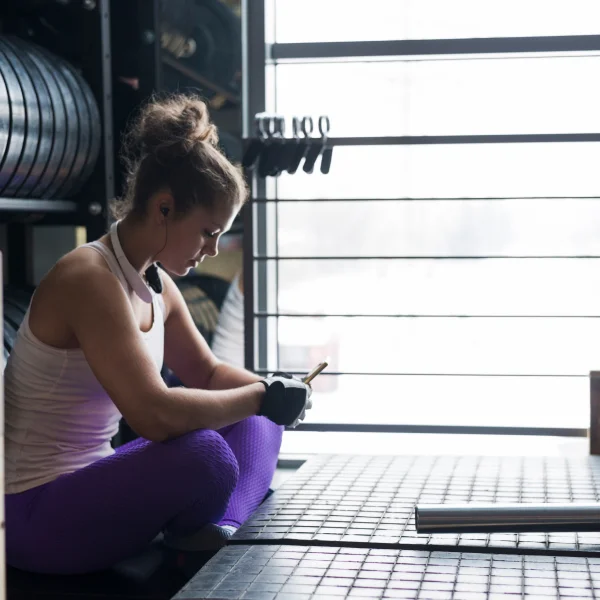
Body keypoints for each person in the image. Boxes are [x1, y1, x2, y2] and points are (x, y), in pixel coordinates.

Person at [3, 94, 312, 575]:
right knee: (206, 451)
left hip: (92, 484)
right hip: (33, 512)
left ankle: (218, 529)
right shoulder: (90, 276)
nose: (213, 250)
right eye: (209, 232)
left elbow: (207, 373)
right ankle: (206, 525)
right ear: (164, 208)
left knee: (258, 416)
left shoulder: (158, 283)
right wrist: (258, 396)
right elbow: (154, 415)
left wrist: (273, 391)